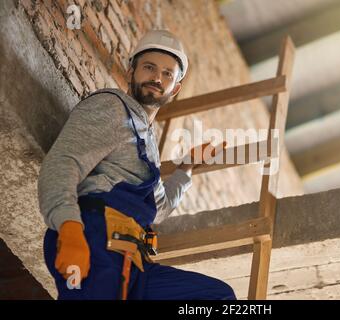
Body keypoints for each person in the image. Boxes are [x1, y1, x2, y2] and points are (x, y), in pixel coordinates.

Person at [38, 29, 235, 300]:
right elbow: (62, 163)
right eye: (149, 67)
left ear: (175, 88)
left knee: (219, 297)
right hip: (95, 242)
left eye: (167, 74)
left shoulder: (148, 141)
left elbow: (158, 209)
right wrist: (70, 229)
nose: (157, 77)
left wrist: (186, 168)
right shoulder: (111, 106)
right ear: (132, 71)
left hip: (134, 259)